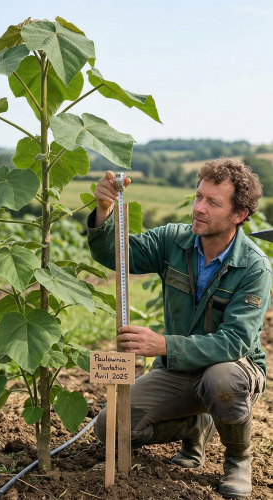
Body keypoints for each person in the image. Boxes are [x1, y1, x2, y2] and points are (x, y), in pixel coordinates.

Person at [88, 158, 270, 499]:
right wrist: (103, 212)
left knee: (221, 381)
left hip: (233, 367)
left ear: (239, 215)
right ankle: (195, 426)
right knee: (110, 427)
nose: (198, 208)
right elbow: (118, 255)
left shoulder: (254, 267)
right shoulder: (173, 241)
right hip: (179, 371)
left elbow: (236, 341)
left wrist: (165, 345)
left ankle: (237, 458)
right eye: (198, 196)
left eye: (213, 203)